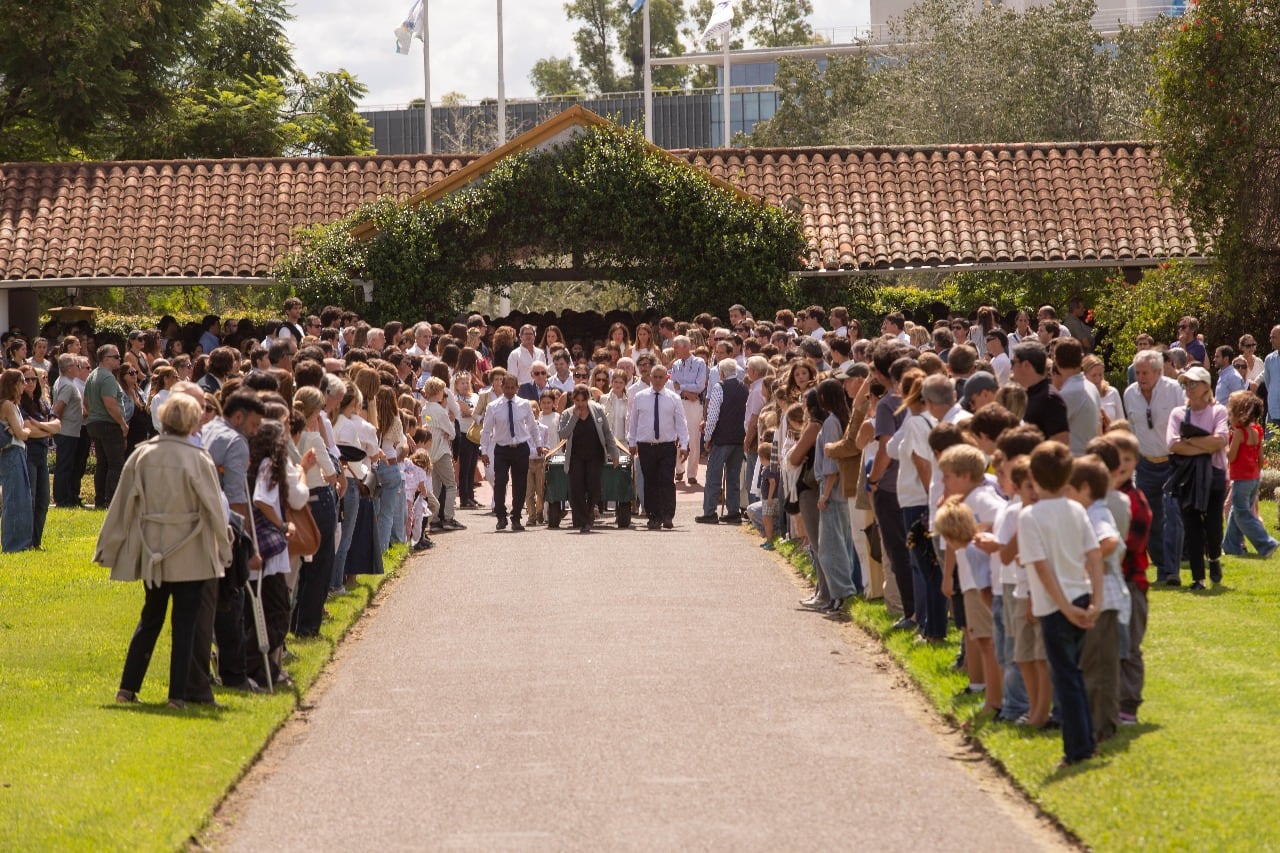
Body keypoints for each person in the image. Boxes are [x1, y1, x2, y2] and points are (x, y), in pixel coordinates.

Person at [99, 393, 232, 710]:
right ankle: (177, 696)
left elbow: (120, 504)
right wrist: (225, 548)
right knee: (184, 623)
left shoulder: (142, 455)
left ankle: (127, 689)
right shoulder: (198, 458)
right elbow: (214, 508)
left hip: (153, 547)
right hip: (190, 550)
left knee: (151, 617)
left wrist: (107, 546)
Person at [1018, 441, 1104, 767]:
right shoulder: (1076, 509)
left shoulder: (1030, 516)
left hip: (1056, 606)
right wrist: (1094, 600)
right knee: (1075, 675)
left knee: (1065, 679)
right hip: (1081, 597)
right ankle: (1087, 743)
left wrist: (1065, 608)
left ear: (1034, 478)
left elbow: (1040, 568)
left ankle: (1077, 750)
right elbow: (1093, 556)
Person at [1123, 349, 1185, 584]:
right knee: (1150, 519)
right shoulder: (1130, 394)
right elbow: (1131, 429)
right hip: (1145, 463)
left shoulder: (1173, 390)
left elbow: (1184, 423)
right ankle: (1161, 565)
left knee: (1173, 514)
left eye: (1145, 372)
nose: (1141, 377)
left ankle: (1172, 570)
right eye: (1137, 372)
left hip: (1172, 462)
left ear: (1158, 371)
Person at [1166, 365, 1229, 590]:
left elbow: (1220, 440)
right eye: (1185, 384)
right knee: (1192, 526)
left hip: (1214, 475)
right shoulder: (1178, 413)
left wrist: (1190, 442)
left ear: (1206, 386)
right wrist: (1205, 445)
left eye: (1193, 383)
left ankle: (1213, 558)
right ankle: (1198, 578)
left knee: (1213, 525)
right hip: (1187, 476)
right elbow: (1173, 444)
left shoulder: (1218, 411)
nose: (1188, 388)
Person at [290, 387, 340, 638]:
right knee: (320, 565)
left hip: (296, 501)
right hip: (318, 499)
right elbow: (331, 474)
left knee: (300, 567)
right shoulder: (313, 438)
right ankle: (308, 625)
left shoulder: (290, 437)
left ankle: (296, 620)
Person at [626, 364, 689, 530]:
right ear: (650, 378)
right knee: (650, 481)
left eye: (661, 377)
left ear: (666, 378)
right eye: (655, 377)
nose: (658, 380)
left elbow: (681, 423)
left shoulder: (673, 398)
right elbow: (633, 422)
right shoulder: (640, 397)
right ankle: (653, 516)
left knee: (666, 480)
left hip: (667, 445)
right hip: (646, 445)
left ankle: (668, 515)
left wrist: (684, 444)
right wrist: (632, 442)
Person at [480, 373, 545, 531]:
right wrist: (484, 450)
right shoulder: (493, 407)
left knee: (520, 484)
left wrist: (538, 444)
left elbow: (532, 426)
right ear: (501, 387)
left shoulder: (524, 404)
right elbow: (486, 430)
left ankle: (516, 517)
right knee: (500, 482)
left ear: (517, 388)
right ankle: (501, 516)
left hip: (521, 448)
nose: (509, 390)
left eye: (512, 387)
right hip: (502, 448)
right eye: (506, 387)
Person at [1221, 390, 1278, 558]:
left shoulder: (1239, 433)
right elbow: (1260, 459)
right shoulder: (1257, 430)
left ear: (1239, 414)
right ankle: (1231, 546)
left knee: (1241, 513)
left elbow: (1231, 456)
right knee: (1234, 513)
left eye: (1230, 413)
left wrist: (1223, 445)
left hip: (1241, 480)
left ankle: (1266, 543)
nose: (1229, 418)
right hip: (1254, 478)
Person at [557, 385, 621, 533]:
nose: (580, 403)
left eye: (583, 400)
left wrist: (614, 453)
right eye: (577, 400)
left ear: (588, 398)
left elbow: (607, 432)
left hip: (594, 455)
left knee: (594, 487)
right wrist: (574, 417)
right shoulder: (567, 414)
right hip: (576, 457)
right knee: (577, 489)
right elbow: (563, 434)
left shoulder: (597, 410)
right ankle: (585, 519)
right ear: (573, 399)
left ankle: (590, 510)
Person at [697, 359, 748, 524]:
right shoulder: (744, 388)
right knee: (733, 477)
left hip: (722, 439)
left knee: (713, 476)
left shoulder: (720, 387)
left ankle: (710, 512)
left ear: (722, 373)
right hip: (739, 438)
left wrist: (707, 438)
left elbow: (713, 416)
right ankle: (733, 511)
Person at [84, 345, 128, 508]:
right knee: (115, 463)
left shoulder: (92, 375)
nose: (119, 359)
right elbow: (110, 403)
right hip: (109, 424)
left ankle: (100, 500)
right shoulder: (108, 377)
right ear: (106, 359)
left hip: (95, 424)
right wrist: (122, 423)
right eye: (116, 357)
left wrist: (94, 414)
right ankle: (112, 501)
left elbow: (86, 402)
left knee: (102, 463)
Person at [19, 365, 58, 549]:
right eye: (26, 379)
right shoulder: (18, 403)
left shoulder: (42, 402)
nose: (31, 383)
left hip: (42, 454)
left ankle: (36, 542)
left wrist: (40, 426)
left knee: (43, 499)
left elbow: (57, 424)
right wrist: (46, 429)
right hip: (28, 453)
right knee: (31, 499)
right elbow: (28, 431)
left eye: (34, 379)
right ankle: (26, 542)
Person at [669, 336, 708, 486]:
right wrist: (685, 392)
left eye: (676, 347)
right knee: (677, 435)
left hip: (693, 404)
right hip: (679, 402)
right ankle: (679, 469)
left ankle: (692, 472)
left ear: (685, 347)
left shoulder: (699, 363)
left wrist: (682, 387)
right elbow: (673, 385)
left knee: (693, 437)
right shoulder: (676, 365)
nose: (674, 350)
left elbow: (699, 386)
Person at [51, 353, 84, 508]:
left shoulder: (63, 381)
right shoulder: (68, 385)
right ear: (69, 368)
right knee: (64, 466)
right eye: (77, 365)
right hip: (67, 431)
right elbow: (58, 408)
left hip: (69, 431)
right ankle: (62, 500)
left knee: (66, 465)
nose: (79, 368)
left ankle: (67, 497)